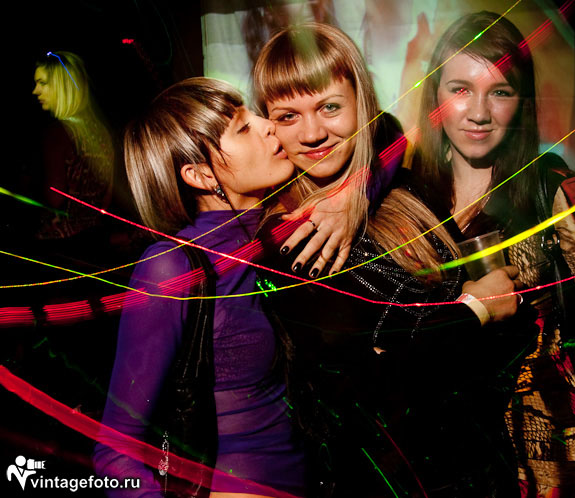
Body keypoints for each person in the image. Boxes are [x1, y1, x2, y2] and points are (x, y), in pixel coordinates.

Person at [252, 22, 530, 497]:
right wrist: (475, 310)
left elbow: (388, 131)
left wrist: (355, 190)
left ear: (361, 104)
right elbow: (369, 391)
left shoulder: (406, 189)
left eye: (330, 107)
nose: (313, 133)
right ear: (268, 127)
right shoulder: (289, 243)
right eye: (288, 116)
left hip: (481, 465)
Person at [412, 12, 575, 498]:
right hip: (439, 444)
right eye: (460, 89)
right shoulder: (409, 195)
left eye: (499, 91)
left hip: (538, 446)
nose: (478, 112)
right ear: (435, 97)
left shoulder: (555, 188)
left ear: (522, 101)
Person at [92, 77, 306, 497]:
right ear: (202, 175)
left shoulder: (275, 234)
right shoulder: (170, 267)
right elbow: (114, 451)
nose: (268, 126)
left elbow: (385, 145)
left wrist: (342, 204)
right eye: (243, 127)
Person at [32, 51, 115, 239]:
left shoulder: (57, 133)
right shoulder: (101, 131)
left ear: (62, 86)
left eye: (42, 83)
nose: (35, 91)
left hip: (59, 241)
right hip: (94, 236)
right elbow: (107, 198)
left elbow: (54, 198)